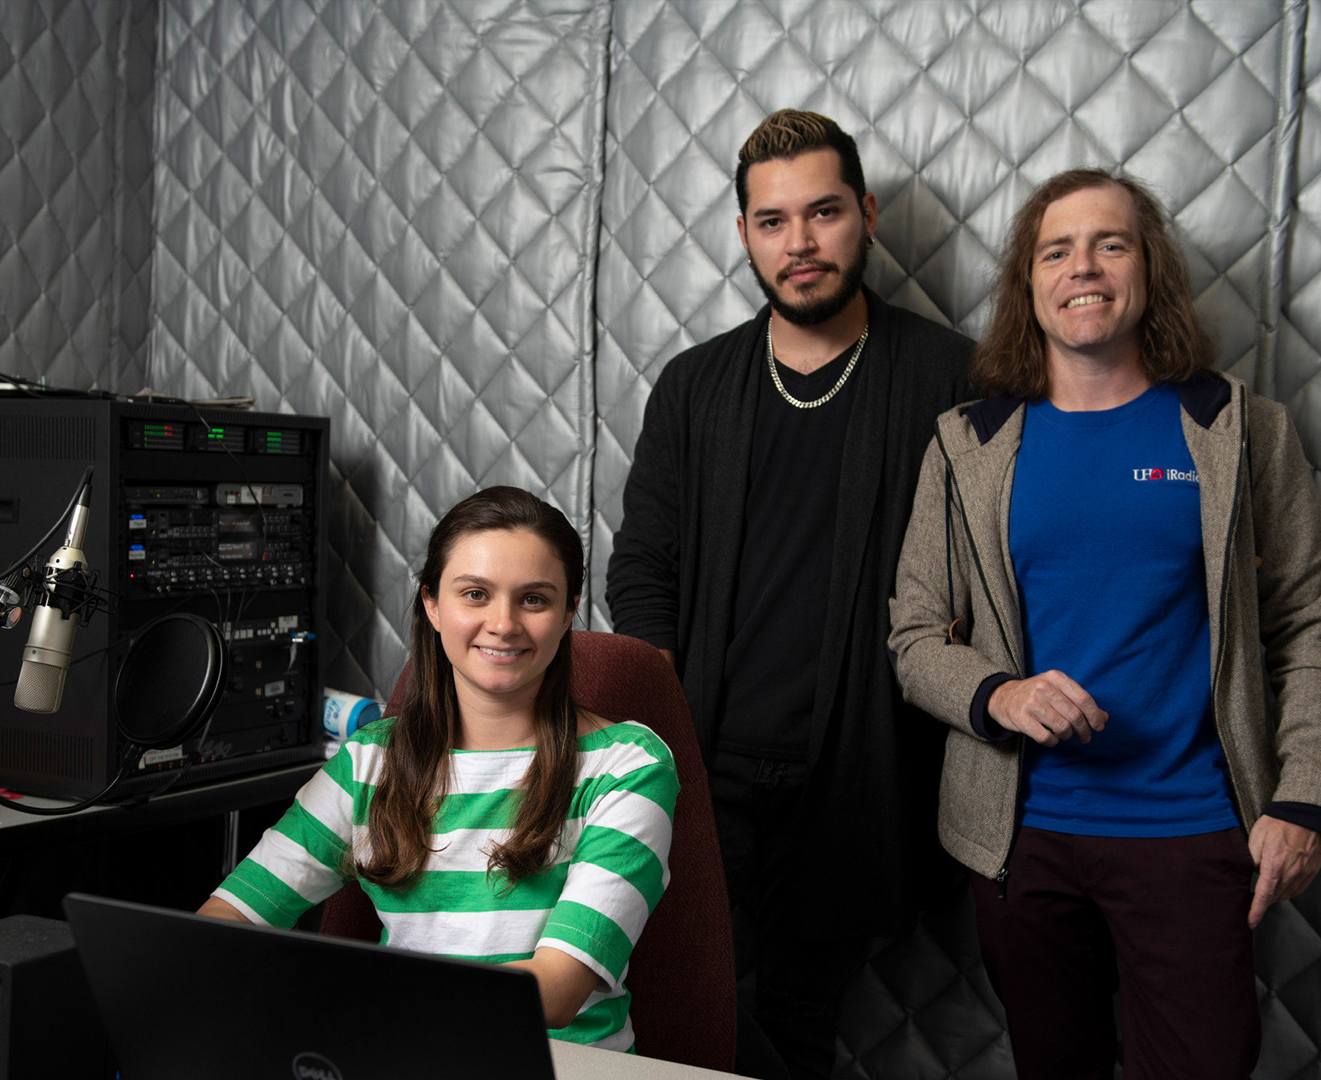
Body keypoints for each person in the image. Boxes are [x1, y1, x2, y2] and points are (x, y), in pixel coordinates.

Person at [887, 169, 1321, 1079]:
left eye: (1111, 243)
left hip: (1193, 832)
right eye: (1056, 251)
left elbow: (1312, 618)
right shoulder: (969, 442)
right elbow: (914, 638)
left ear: (1150, 271)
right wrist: (1000, 694)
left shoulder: (1238, 428)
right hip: (1022, 844)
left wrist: (1307, 798)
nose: (1083, 268)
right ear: (1030, 284)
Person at [607, 109, 971, 1080]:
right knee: (688, 1014)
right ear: (744, 235)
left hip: (859, 773)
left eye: (823, 213)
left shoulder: (950, 375)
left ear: (868, 214)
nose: (799, 243)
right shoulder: (696, 385)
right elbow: (644, 564)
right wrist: (665, 718)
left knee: (802, 1024)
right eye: (773, 222)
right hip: (708, 764)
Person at [201, 486, 678, 1053]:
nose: (503, 623)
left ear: (569, 610)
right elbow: (228, 920)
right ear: (431, 604)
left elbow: (553, 992)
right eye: (475, 594)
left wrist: (340, 1001)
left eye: (534, 599)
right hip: (400, 1054)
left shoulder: (628, 765)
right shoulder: (368, 763)